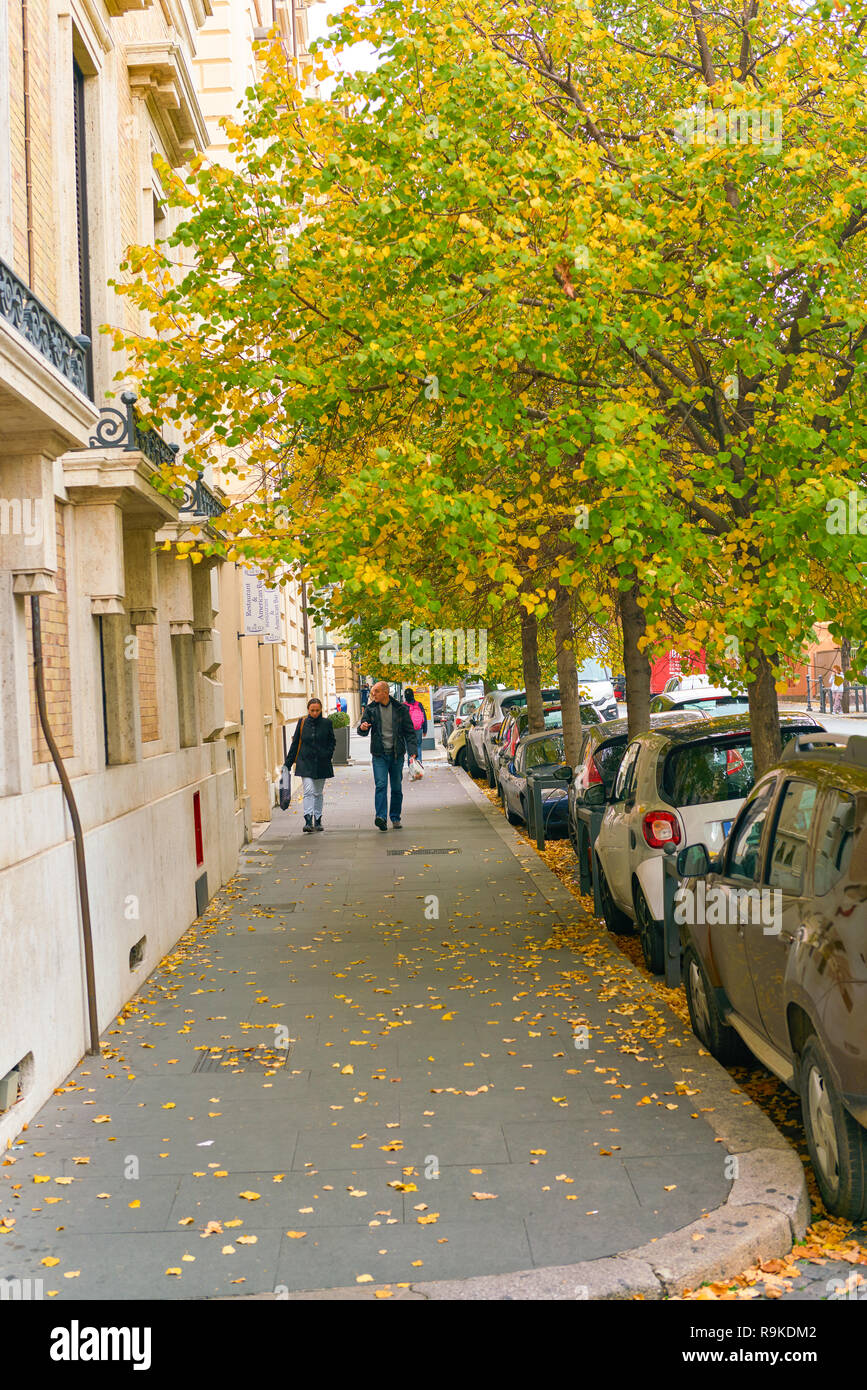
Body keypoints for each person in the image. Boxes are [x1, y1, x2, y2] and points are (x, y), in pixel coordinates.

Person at [357, 680, 419, 830]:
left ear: (385, 692)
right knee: (381, 785)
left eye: (375, 692)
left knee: (396, 788)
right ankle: (381, 817)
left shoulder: (400, 708)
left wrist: (413, 753)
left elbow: (409, 732)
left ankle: (395, 817)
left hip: (397, 755)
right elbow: (362, 729)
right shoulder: (371, 709)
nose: (373, 695)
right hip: (379, 754)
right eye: (372, 692)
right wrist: (363, 727)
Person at [284, 697, 336, 833]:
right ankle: (308, 820)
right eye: (312, 710)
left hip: (322, 763)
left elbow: (332, 741)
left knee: (318, 793)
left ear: (321, 710)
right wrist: (287, 763)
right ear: (308, 710)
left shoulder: (327, 723)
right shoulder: (302, 723)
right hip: (305, 762)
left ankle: (318, 820)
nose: (314, 713)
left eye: (317, 710)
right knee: (308, 791)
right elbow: (295, 743)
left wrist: (328, 754)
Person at [402, 687, 427, 765]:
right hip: (418, 728)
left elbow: (400, 720)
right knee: (418, 746)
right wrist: (425, 730)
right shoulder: (419, 704)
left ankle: (411, 766)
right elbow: (424, 717)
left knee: (409, 747)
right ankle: (419, 764)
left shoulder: (403, 706)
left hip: (407, 730)